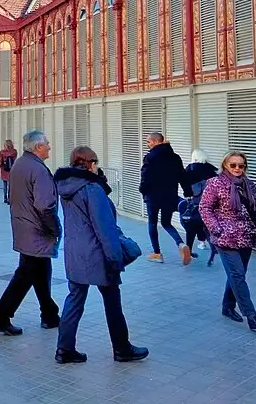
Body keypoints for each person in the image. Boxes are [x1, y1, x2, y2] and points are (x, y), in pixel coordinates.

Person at [53, 146, 149, 364]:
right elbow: (104, 228)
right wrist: (115, 258)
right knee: (113, 302)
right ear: (91, 164)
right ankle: (122, 348)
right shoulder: (92, 189)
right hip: (99, 254)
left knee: (74, 300)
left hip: (75, 253)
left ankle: (64, 349)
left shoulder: (67, 188)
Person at [0, 130, 61, 336]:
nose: (49, 146)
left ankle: (49, 314)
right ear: (38, 146)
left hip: (23, 228)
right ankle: (1, 316)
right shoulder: (38, 170)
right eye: (47, 143)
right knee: (25, 275)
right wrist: (54, 227)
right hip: (36, 230)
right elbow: (45, 205)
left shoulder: (21, 164)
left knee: (41, 271)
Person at [199, 151, 256, 331]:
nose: (237, 168)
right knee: (237, 274)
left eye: (241, 165)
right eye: (233, 165)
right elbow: (205, 208)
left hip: (247, 236)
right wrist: (217, 229)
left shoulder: (249, 185)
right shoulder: (215, 183)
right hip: (226, 238)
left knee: (238, 274)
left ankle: (227, 306)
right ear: (225, 165)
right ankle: (251, 316)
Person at [140, 132, 191, 265]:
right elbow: (183, 176)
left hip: (153, 196)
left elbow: (146, 176)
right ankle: (180, 244)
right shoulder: (175, 157)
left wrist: (143, 190)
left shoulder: (150, 157)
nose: (148, 144)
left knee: (152, 223)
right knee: (166, 223)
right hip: (170, 195)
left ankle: (157, 253)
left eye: (148, 142)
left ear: (155, 142)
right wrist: (187, 192)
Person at [180, 149, 218, 261]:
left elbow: (184, 182)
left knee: (191, 225)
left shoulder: (190, 168)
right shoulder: (210, 168)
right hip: (209, 202)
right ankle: (209, 245)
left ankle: (190, 250)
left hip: (194, 202)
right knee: (206, 224)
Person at [0, 139, 17, 205]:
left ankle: (5, 198)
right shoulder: (14, 152)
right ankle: (9, 198)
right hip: (11, 170)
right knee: (10, 185)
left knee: (4, 184)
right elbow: (14, 160)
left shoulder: (2, 152)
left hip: (4, 169)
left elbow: (0, 162)